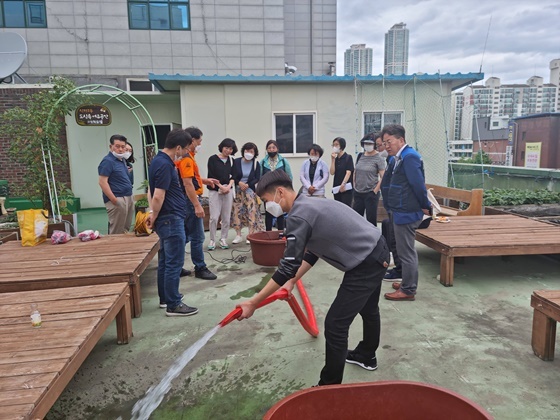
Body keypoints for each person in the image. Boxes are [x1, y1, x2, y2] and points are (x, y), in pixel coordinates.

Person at [237, 170, 390, 386]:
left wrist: (254, 302)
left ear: (280, 192)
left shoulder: (299, 216)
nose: (266, 206)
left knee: (335, 324)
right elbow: (313, 251)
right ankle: (367, 355)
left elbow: (287, 266)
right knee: (369, 309)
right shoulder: (308, 203)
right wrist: (291, 282)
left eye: (266, 200)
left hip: (366, 262)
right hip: (376, 249)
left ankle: (328, 387)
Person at [146, 129, 198, 316]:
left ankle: (166, 298)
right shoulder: (165, 164)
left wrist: (153, 213)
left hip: (165, 218)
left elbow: (150, 191)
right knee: (174, 263)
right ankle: (173, 304)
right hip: (170, 219)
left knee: (166, 261)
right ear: (177, 147)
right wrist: (154, 214)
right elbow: (158, 195)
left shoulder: (157, 161)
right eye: (184, 149)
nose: (185, 153)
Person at [380, 124, 431, 301]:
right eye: (384, 142)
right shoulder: (397, 158)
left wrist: (425, 204)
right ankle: (406, 282)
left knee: (407, 252)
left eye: (389, 142)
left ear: (401, 140)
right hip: (398, 210)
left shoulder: (410, 157)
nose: (387, 146)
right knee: (402, 251)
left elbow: (418, 184)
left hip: (407, 212)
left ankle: (408, 289)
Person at [176, 126, 218, 280]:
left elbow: (190, 179)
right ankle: (200, 267)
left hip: (186, 200)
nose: (200, 145)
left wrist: (205, 181)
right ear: (192, 141)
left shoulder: (187, 157)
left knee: (185, 236)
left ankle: (176, 265)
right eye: (199, 142)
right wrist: (197, 205)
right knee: (197, 236)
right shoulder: (186, 159)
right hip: (189, 201)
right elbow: (187, 184)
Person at [98, 134, 134, 234]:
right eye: (117, 146)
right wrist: (114, 200)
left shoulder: (122, 160)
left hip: (128, 196)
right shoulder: (107, 161)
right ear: (111, 147)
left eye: (123, 147)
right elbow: (102, 182)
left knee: (125, 228)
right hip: (117, 198)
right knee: (117, 230)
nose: (120, 149)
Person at [231, 142, 265, 244]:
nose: (249, 153)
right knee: (237, 212)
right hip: (237, 190)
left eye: (251, 151)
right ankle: (238, 235)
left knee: (251, 211)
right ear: (243, 151)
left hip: (249, 190)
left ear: (255, 153)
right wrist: (239, 183)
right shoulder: (236, 162)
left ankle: (250, 234)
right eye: (247, 150)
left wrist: (247, 185)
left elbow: (257, 178)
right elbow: (232, 175)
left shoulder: (256, 164)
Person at [207, 138, 237, 250]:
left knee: (226, 217)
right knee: (214, 217)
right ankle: (212, 239)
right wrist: (221, 187)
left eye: (230, 149)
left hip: (228, 190)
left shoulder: (232, 161)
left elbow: (234, 176)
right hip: (215, 191)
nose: (228, 150)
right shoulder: (212, 159)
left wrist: (228, 186)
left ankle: (223, 238)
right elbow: (211, 175)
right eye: (226, 148)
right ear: (221, 147)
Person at [352, 133, 386, 226]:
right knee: (356, 219)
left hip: (370, 193)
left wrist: (375, 190)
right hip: (358, 192)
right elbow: (355, 171)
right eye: (366, 143)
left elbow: (383, 176)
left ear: (374, 144)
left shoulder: (379, 158)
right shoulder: (360, 156)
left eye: (370, 143)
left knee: (371, 220)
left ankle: (372, 239)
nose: (368, 145)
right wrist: (354, 185)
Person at [261, 139, 292, 231]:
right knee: (269, 213)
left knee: (280, 213)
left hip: (280, 191)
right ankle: (268, 233)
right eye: (269, 148)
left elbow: (289, 176)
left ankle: (281, 233)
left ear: (277, 149)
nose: (271, 150)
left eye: (273, 147)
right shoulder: (262, 162)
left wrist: (288, 189)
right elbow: (260, 178)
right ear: (266, 150)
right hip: (268, 191)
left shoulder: (283, 161)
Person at [330, 137, 354, 207]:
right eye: (333, 145)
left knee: (346, 207)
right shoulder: (336, 159)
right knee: (338, 208)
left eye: (336, 145)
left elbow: (348, 172)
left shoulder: (348, 157)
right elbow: (332, 172)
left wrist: (343, 184)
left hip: (346, 188)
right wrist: (333, 160)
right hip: (336, 187)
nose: (334, 147)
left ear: (341, 146)